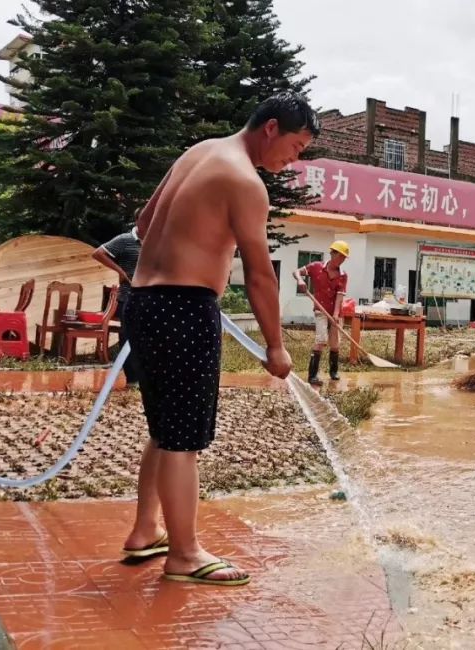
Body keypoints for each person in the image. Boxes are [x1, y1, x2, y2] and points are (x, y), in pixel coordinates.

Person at [121, 92, 318, 586]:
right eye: (295, 147)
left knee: (165, 429)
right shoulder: (244, 180)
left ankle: (146, 530)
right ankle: (184, 555)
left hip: (142, 303)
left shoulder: (200, 152)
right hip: (183, 309)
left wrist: (190, 243)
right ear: (271, 128)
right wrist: (276, 345)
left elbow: (143, 224)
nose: (293, 160)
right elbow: (258, 273)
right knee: (183, 439)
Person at [292, 241, 349, 386]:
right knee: (321, 340)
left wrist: (336, 315)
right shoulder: (316, 267)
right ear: (333, 254)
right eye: (340, 256)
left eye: (344, 258)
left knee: (335, 344)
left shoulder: (342, 275)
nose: (342, 260)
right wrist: (300, 280)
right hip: (320, 311)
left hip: (336, 312)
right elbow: (296, 272)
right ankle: (312, 375)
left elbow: (339, 297)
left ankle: (333, 372)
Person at [92, 226, 142, 388]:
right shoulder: (124, 240)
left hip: (149, 297)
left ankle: (145, 378)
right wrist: (120, 271)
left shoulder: (155, 241)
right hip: (128, 296)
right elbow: (98, 253)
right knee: (127, 336)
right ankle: (132, 379)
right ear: (139, 221)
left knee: (148, 338)